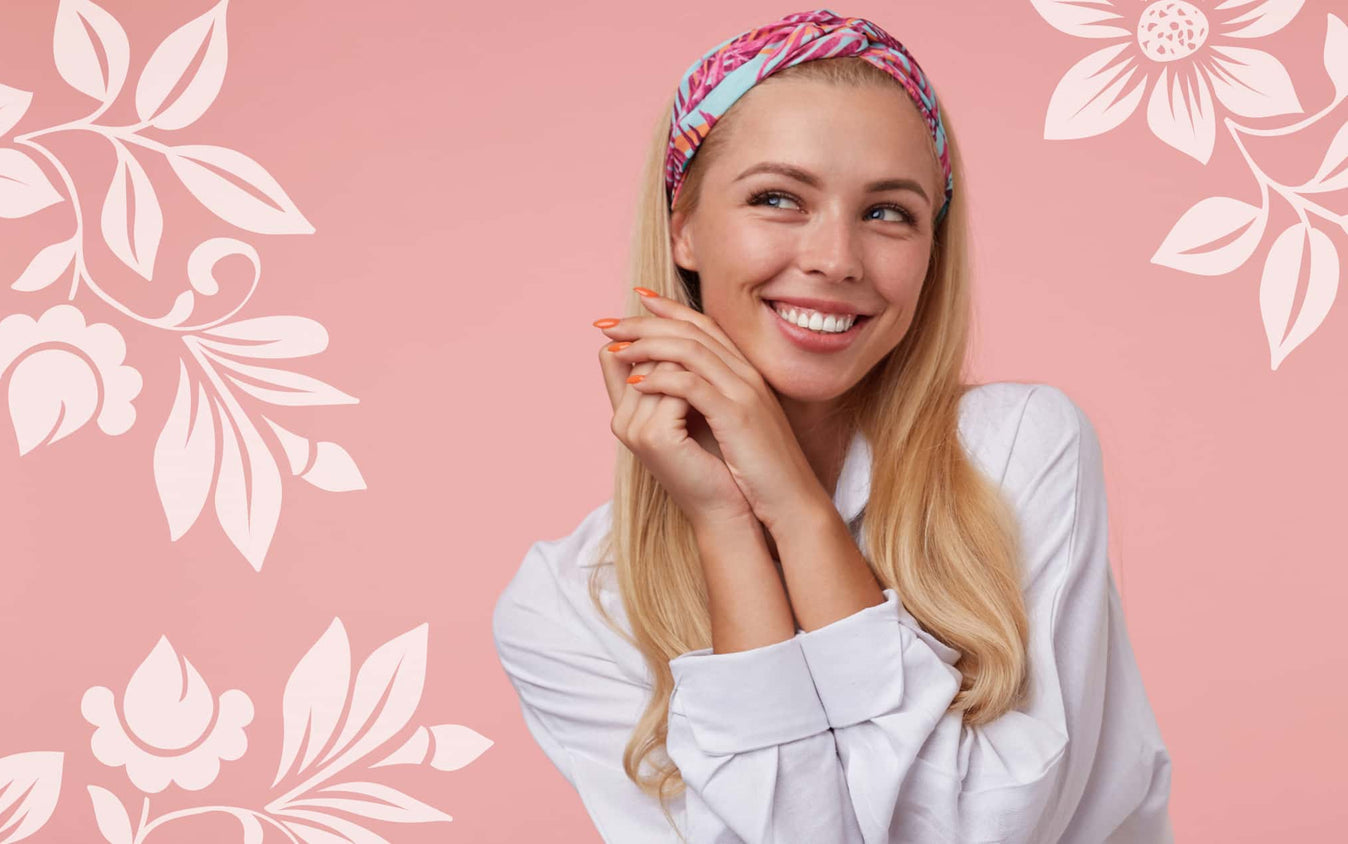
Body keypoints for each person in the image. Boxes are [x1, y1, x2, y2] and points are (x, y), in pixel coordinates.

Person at [491, 9, 1173, 843]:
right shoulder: (569, 607)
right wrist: (725, 524)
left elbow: (982, 832)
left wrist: (795, 506)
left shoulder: (1017, 450)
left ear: (932, 246)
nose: (837, 258)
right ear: (685, 226)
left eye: (889, 213)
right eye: (778, 198)